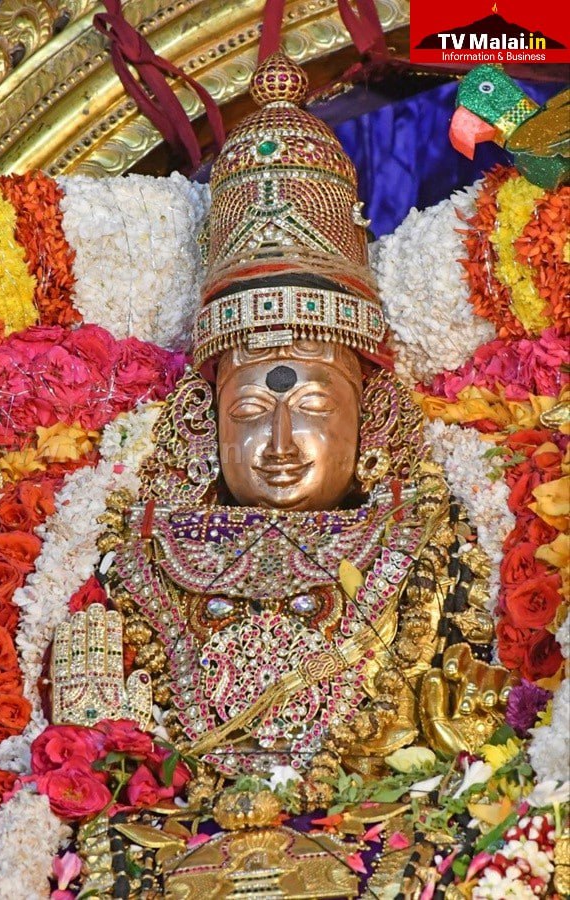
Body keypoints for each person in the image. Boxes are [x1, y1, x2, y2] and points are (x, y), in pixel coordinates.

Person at [51, 53, 511, 898]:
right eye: (252, 411)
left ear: (368, 414)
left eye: (314, 406)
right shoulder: (132, 555)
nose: (282, 443)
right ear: (206, 418)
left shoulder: (438, 549)